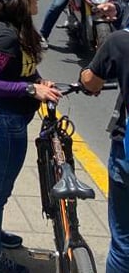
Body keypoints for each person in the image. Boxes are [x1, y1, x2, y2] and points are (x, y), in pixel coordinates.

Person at [0, 0, 58, 273]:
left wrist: (36, 80)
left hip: (7, 119)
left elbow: (16, 70)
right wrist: (30, 88)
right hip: (3, 122)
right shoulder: (6, 36)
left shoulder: (12, 29)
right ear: (22, 0)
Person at [79, 28, 129, 273]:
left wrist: (85, 77)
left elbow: (91, 81)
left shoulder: (121, 41)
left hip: (127, 157)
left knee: (124, 243)